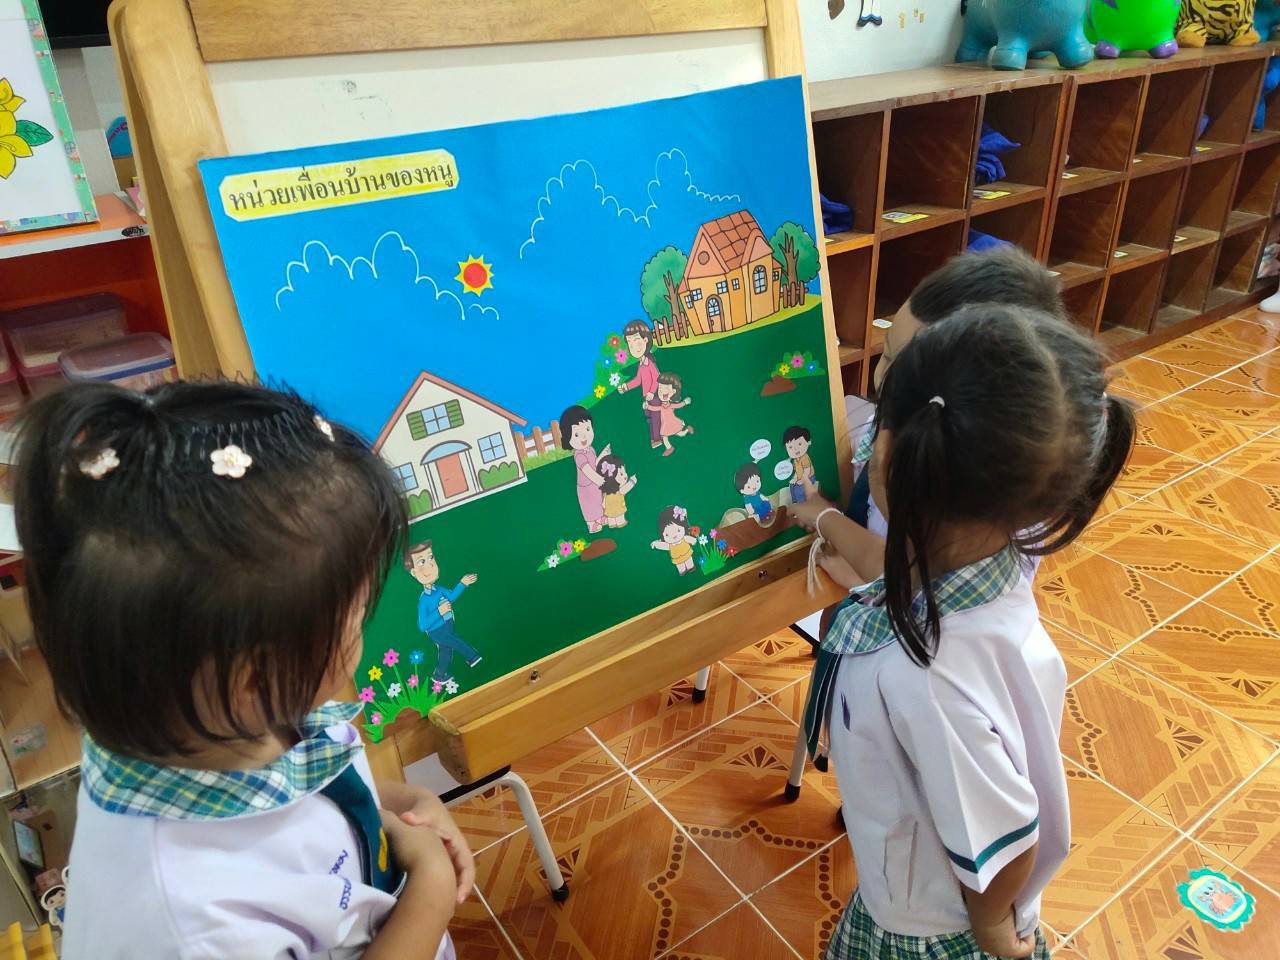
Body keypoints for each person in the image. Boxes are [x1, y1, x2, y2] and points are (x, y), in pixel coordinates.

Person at [13, 381, 473, 960]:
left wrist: (400, 804)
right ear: (254, 678)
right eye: (357, 612)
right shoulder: (191, 928)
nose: (365, 621)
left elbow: (303, 798)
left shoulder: (213, 719)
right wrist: (431, 883)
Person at [791, 305, 1134, 960]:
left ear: (887, 456)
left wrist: (992, 924)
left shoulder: (929, 678)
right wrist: (824, 519)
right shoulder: (984, 564)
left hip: (926, 928)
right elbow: (891, 568)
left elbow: (1010, 837)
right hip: (910, 879)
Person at [823, 247, 1068, 596]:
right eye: (886, 354)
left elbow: (923, 576)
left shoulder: (978, 496)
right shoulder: (901, 421)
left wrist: (855, 567)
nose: (884, 380)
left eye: (906, 373)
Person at [405, 541, 481, 684]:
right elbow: (422, 625)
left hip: (448, 624)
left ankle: (439, 675)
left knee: (446, 651)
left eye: (431, 558)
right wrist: (439, 612)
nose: (430, 565)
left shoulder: (439, 589)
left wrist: (462, 583)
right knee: (456, 642)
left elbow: (451, 596)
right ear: (414, 572)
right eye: (421, 562)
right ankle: (473, 657)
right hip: (437, 631)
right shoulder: (424, 600)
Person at [560, 404, 608, 533]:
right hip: (585, 486)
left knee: (598, 500)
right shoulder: (579, 454)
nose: (584, 437)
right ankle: (591, 524)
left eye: (587, 429)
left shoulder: (591, 449)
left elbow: (594, 464)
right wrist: (599, 480)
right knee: (589, 505)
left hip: (595, 483)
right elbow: (587, 470)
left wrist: (603, 455)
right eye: (576, 434)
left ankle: (600, 517)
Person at [617, 318, 663, 449]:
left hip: (654, 396)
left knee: (655, 417)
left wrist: (651, 392)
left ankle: (657, 439)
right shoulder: (641, 364)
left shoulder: (649, 362)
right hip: (647, 397)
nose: (634, 348)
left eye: (636, 342)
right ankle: (655, 437)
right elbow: (638, 380)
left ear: (646, 340)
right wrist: (626, 387)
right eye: (630, 344)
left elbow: (657, 378)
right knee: (649, 417)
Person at [644, 372, 694, 457]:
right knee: (674, 435)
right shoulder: (661, 406)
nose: (662, 391)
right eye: (660, 389)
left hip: (672, 423)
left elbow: (678, 405)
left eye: (666, 388)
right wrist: (647, 406)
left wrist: (685, 402)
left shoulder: (670, 405)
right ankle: (672, 446)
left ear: (673, 391)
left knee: (672, 435)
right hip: (666, 424)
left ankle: (671, 446)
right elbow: (655, 408)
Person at [650, 504, 697, 575]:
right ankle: (682, 571)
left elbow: (690, 539)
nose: (674, 536)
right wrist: (656, 544)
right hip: (677, 558)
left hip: (687, 553)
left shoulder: (684, 538)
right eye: (667, 534)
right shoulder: (669, 545)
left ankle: (691, 567)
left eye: (678, 530)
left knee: (689, 561)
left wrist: (693, 540)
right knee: (680, 566)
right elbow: (663, 545)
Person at [597, 453, 638, 528]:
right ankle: (620, 523)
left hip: (609, 510)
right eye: (621, 474)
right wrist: (633, 481)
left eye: (624, 472)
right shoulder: (619, 491)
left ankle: (612, 524)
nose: (625, 476)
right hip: (618, 509)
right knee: (620, 518)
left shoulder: (606, 493)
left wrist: (603, 506)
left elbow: (603, 500)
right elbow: (627, 488)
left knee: (611, 519)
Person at [782, 425, 816, 503]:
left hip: (809, 477)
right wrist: (795, 478)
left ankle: (802, 504)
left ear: (808, 442)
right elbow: (797, 471)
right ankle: (795, 502)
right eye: (790, 447)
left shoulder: (804, 457)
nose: (795, 449)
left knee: (798, 489)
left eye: (799, 444)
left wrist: (802, 480)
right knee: (791, 485)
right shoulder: (795, 459)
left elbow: (807, 470)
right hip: (800, 476)